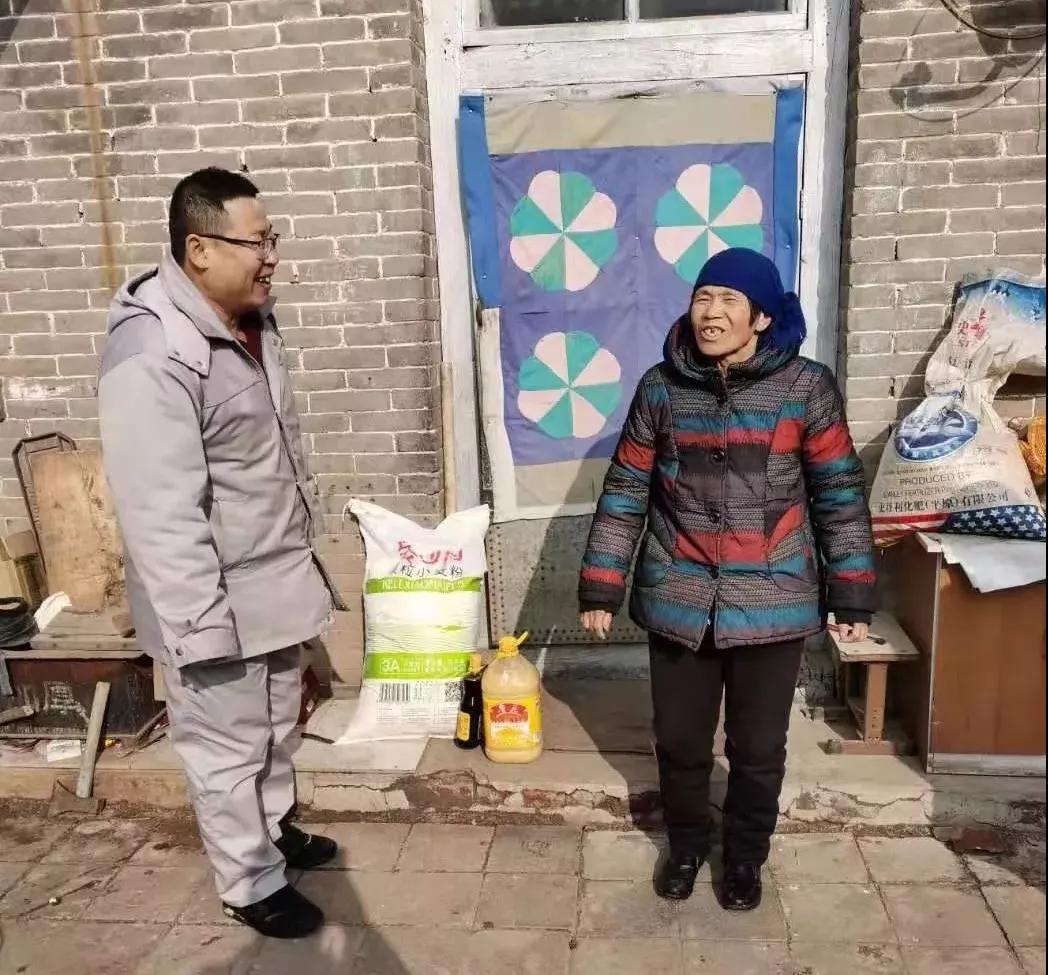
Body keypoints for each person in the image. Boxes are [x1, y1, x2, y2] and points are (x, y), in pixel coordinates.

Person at [578, 248, 876, 909]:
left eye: (729, 301)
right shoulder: (661, 387)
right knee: (680, 740)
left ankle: (744, 858)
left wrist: (852, 590)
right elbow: (626, 488)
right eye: (702, 298)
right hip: (678, 594)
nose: (711, 313)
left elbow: (838, 492)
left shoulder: (806, 388)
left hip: (773, 598)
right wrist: (601, 582)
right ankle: (686, 846)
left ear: (762, 317)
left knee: (759, 745)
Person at [99, 168, 339, 939]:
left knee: (276, 727)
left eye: (272, 239)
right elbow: (159, 510)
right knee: (226, 748)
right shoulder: (154, 348)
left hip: (273, 585)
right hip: (214, 600)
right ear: (199, 248)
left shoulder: (253, 321)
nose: (271, 256)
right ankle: (248, 880)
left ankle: (271, 831)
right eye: (257, 241)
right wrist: (198, 628)